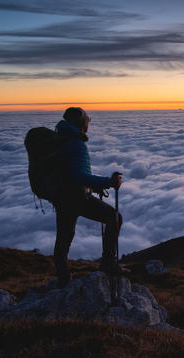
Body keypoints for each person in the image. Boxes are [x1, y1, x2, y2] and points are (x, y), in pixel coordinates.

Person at [53, 107, 123, 287]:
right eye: (87, 121)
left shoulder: (59, 139)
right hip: (76, 197)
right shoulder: (77, 144)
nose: (88, 124)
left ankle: (63, 277)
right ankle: (108, 263)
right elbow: (78, 176)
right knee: (114, 217)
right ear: (81, 123)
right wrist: (108, 182)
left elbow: (68, 174)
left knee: (64, 236)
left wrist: (92, 188)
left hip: (61, 197)